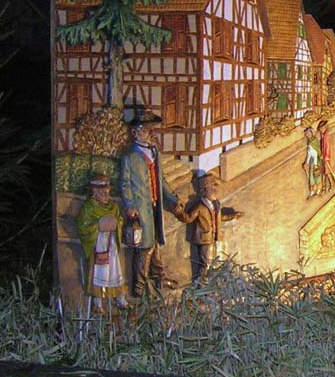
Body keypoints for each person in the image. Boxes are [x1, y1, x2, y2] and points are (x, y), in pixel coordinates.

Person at [120, 111, 183, 299]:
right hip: (141, 209)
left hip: (155, 206)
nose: (151, 134)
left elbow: (161, 180)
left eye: (152, 130)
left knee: (155, 242)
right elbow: (125, 184)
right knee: (144, 247)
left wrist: (173, 198)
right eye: (147, 130)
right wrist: (130, 204)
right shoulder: (130, 157)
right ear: (136, 133)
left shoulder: (155, 153)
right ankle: (138, 288)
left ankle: (158, 277)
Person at [75, 174, 128, 312]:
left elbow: (119, 220)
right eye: (102, 191)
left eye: (107, 191)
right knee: (99, 271)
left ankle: (120, 298)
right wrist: (98, 226)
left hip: (111, 243)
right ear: (94, 192)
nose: (106, 194)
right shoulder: (89, 207)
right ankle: (97, 301)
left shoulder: (113, 207)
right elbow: (82, 225)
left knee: (115, 270)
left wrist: (116, 224)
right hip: (98, 243)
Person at [177, 174, 243, 284]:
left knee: (211, 262)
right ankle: (202, 286)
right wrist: (179, 212)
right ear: (203, 191)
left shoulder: (215, 205)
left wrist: (233, 216)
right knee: (207, 263)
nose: (215, 190)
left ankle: (206, 283)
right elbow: (189, 218)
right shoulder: (200, 207)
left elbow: (219, 217)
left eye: (215, 186)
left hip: (213, 238)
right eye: (212, 187)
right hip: (204, 239)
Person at [317, 120, 335, 193]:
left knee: (328, 171)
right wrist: (322, 154)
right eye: (320, 129)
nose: (320, 130)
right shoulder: (323, 136)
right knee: (325, 171)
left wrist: (327, 156)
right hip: (324, 156)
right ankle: (325, 186)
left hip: (327, 157)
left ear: (324, 128)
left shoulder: (326, 136)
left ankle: (332, 184)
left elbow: (328, 147)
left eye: (321, 129)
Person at [302, 126, 323, 197]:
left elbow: (316, 152)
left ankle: (319, 190)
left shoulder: (314, 141)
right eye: (306, 134)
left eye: (309, 134)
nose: (308, 135)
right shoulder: (309, 142)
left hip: (316, 161)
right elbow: (309, 153)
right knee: (311, 177)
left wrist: (316, 164)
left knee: (317, 176)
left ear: (311, 133)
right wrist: (306, 162)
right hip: (311, 161)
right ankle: (312, 191)